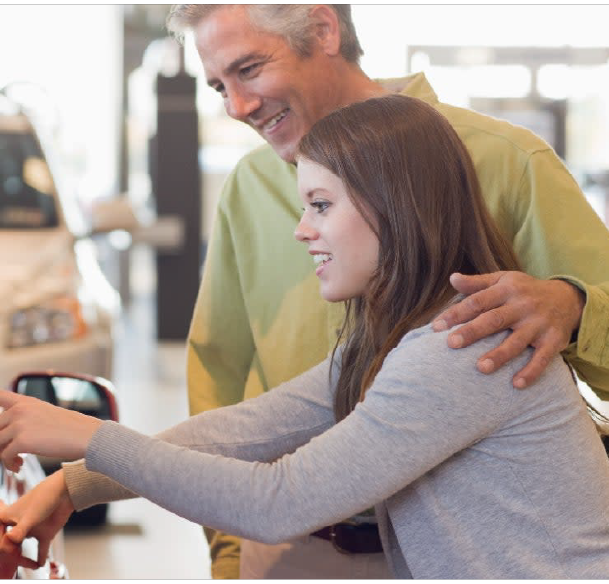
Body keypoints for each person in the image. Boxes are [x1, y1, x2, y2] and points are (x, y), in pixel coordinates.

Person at [0, 94, 609, 579]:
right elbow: (243, 432)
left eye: (321, 205)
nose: (302, 229)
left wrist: (90, 435)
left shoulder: (455, 350)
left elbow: (278, 501)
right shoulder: (396, 341)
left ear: (395, 207)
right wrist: (72, 484)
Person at [164, 4, 609, 579]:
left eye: (249, 69)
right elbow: (219, 370)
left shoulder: (505, 159)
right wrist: (228, 546)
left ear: (324, 30)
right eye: (219, 85)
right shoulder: (248, 186)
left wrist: (573, 303)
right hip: (290, 547)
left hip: (463, 551)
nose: (237, 107)